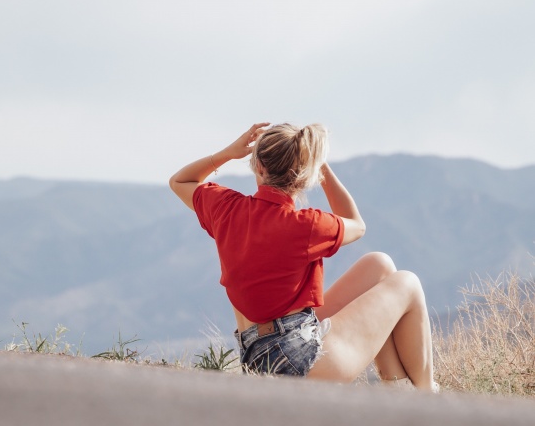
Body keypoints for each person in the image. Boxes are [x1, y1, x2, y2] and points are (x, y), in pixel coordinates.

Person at [169, 123, 437, 391]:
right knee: (408, 282)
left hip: (258, 357)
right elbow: (357, 224)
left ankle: (399, 387)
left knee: (379, 266)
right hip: (302, 362)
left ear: (259, 166)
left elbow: (179, 180)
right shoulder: (306, 225)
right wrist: (321, 166)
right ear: (304, 174)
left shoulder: (227, 208)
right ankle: (427, 394)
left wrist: (229, 152)